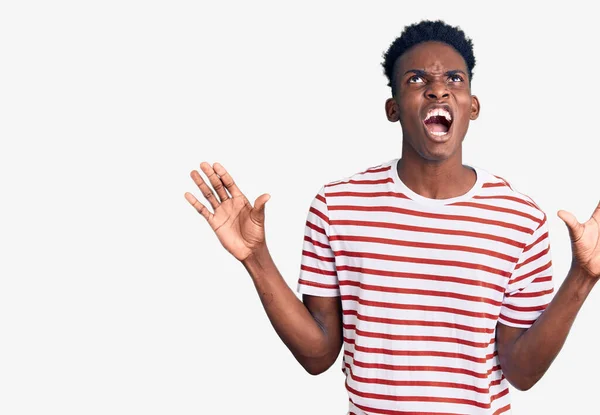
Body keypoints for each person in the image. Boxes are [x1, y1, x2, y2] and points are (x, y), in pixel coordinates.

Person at [184, 20, 600, 415]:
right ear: (393, 108)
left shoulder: (518, 217)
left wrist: (583, 276)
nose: (438, 89)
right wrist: (256, 258)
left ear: (472, 106)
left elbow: (521, 372)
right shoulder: (337, 205)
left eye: (454, 79)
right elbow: (318, 355)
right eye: (417, 79)